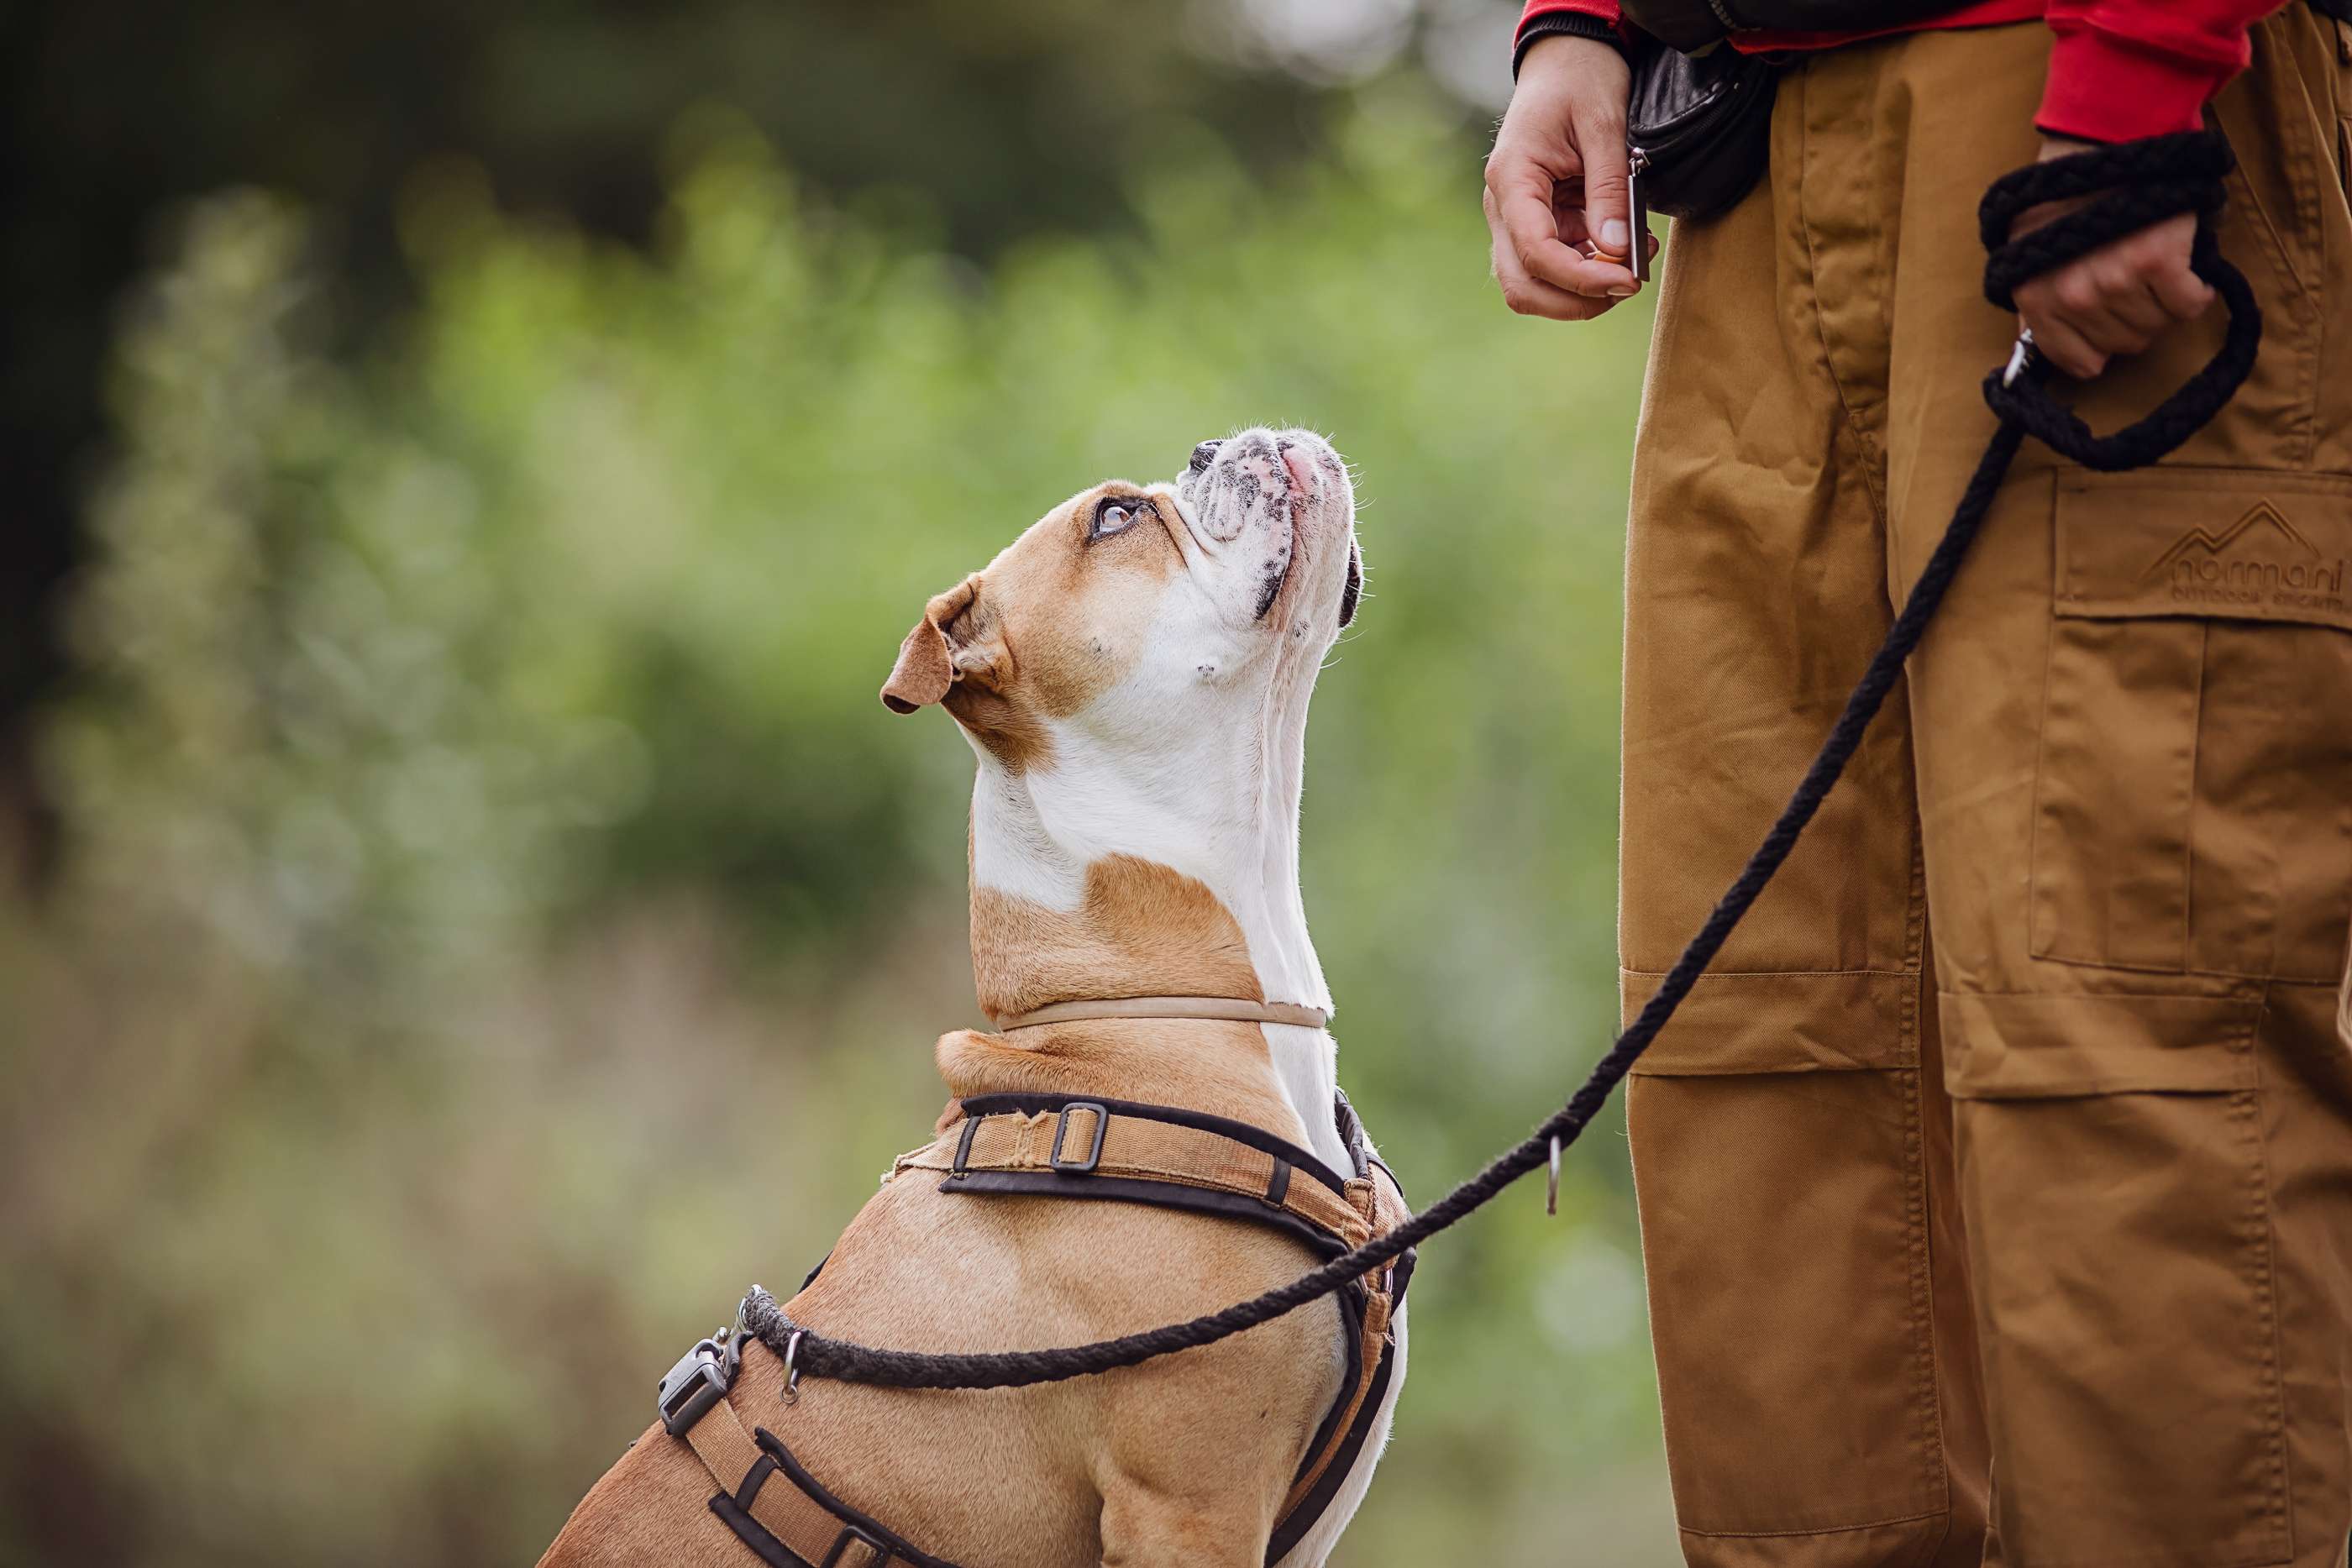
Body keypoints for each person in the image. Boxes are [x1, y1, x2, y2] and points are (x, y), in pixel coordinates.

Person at [1485, 0, 2352, 1563]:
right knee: (1766, 1051)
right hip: (1752, 148)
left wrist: (2141, 64)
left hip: (2078, 115)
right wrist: (1586, 27)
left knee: (2121, 1050)